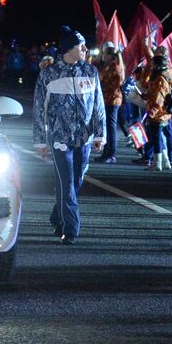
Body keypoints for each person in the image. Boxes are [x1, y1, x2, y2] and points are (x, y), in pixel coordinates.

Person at [33, 27, 106, 243]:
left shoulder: (90, 72)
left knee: (75, 182)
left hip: (84, 138)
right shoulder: (49, 74)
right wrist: (39, 141)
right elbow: (38, 109)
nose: (84, 49)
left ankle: (58, 216)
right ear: (68, 48)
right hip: (60, 139)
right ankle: (71, 229)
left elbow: (98, 105)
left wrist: (100, 135)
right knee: (66, 182)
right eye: (79, 45)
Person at [135, 50, 172, 171]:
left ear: (158, 66)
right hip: (163, 113)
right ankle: (166, 162)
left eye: (153, 64)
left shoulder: (160, 79)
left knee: (156, 138)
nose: (151, 66)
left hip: (158, 114)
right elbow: (154, 95)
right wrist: (146, 96)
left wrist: (151, 113)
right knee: (159, 138)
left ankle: (157, 163)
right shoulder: (165, 76)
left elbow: (158, 99)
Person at [95, 41, 126, 163]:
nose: (102, 56)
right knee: (107, 127)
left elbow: (114, 84)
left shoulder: (115, 67)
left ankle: (111, 154)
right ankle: (106, 153)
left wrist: (103, 86)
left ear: (108, 55)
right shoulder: (108, 66)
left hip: (112, 99)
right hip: (107, 98)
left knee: (111, 127)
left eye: (103, 54)